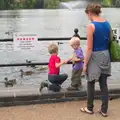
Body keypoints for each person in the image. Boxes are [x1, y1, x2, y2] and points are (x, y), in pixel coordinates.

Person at [80, 3, 113, 117]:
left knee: (90, 82)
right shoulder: (107, 23)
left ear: (89, 13)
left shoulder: (91, 26)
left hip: (94, 55)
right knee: (103, 83)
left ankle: (89, 108)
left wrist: (85, 64)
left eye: (87, 14)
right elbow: (110, 40)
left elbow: (89, 48)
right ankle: (104, 110)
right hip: (105, 54)